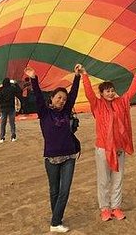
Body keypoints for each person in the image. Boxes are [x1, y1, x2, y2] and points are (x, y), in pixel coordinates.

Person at [83, 63, 136, 222]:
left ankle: (116, 207)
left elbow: (131, 92)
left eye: (111, 90)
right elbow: (89, 93)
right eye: (107, 91)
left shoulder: (121, 102)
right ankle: (105, 209)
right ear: (101, 93)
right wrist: (84, 75)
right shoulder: (97, 105)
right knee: (104, 180)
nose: (110, 93)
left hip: (118, 148)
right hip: (103, 148)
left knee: (118, 179)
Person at [25, 65, 81, 233]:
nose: (62, 101)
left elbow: (74, 94)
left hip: (69, 156)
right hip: (51, 158)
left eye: (64, 99)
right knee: (54, 190)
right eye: (59, 98)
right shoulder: (45, 113)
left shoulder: (65, 112)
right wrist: (34, 78)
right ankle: (57, 220)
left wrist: (77, 76)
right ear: (52, 99)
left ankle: (55, 222)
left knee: (64, 190)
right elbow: (38, 97)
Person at [0, 77, 22, 143]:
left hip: (3, 109)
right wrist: (16, 84)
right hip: (11, 108)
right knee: (12, 123)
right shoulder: (12, 89)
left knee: (3, 123)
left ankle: (2, 138)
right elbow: (19, 91)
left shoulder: (1, 90)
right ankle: (13, 137)